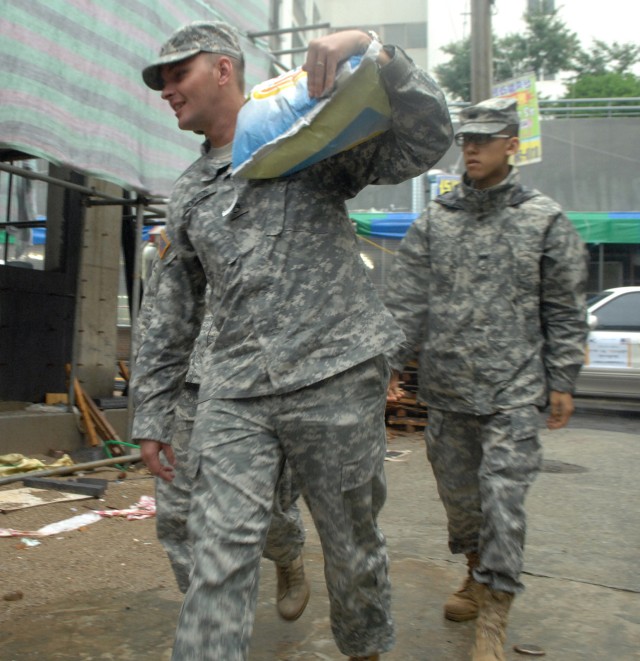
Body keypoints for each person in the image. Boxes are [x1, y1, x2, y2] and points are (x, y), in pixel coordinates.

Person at [132, 20, 452, 661]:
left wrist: (371, 47)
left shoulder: (306, 137)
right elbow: (171, 307)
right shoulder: (190, 192)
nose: (166, 89)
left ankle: (365, 649)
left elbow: (425, 141)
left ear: (223, 69)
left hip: (334, 372)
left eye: (178, 74)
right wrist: (152, 411)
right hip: (233, 392)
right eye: (160, 80)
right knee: (215, 550)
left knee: (350, 545)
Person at [384, 97, 588, 661]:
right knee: (463, 508)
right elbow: (405, 306)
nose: (470, 148)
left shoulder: (543, 219)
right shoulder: (437, 222)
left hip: (514, 392)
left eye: (483, 138)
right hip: (447, 393)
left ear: (510, 144)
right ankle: (476, 574)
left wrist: (563, 377)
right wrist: (388, 368)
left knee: (503, 499)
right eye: (465, 139)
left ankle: (495, 612)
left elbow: (565, 308)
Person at [135, 253, 309, 618]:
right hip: (185, 390)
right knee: (177, 512)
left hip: (257, 390)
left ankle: (286, 556)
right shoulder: (180, 238)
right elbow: (152, 327)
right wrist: (150, 414)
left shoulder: (280, 223)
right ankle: (207, 610)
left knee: (269, 506)